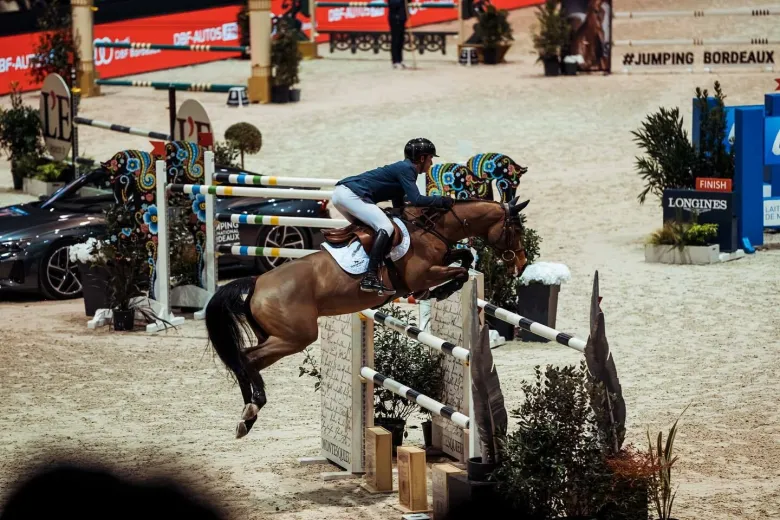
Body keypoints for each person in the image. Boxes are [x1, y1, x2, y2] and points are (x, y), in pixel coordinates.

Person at [332, 137, 454, 294]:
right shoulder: (407, 169)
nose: (432, 163)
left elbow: (400, 205)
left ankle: (362, 268)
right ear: (422, 158)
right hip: (352, 195)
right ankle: (370, 276)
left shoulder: (404, 170)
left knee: (371, 231)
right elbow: (416, 199)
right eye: (430, 158)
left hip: (341, 195)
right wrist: (441, 200)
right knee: (386, 227)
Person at [387, 0, 407, 69]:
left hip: (402, 18)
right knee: (396, 40)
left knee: (401, 40)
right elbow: (392, 3)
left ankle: (400, 60)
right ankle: (395, 61)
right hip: (395, 17)